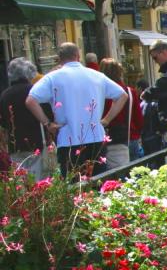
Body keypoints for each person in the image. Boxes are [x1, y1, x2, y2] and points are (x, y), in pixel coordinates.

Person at [25, 42, 127, 177]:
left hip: (68, 138)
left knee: (73, 184)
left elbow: (30, 100)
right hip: (95, 135)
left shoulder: (53, 77)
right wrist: (106, 120)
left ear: (59, 58)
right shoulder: (96, 75)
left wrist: (47, 123)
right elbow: (122, 96)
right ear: (78, 56)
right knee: (97, 181)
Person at [0, 57, 47, 179]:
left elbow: (3, 122)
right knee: (37, 178)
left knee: (20, 178)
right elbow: (46, 114)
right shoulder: (34, 91)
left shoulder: (5, 95)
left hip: (14, 144)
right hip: (35, 141)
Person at [99, 58, 144, 171]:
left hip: (110, 139)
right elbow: (138, 118)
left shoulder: (101, 93)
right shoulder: (130, 91)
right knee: (135, 176)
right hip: (131, 137)